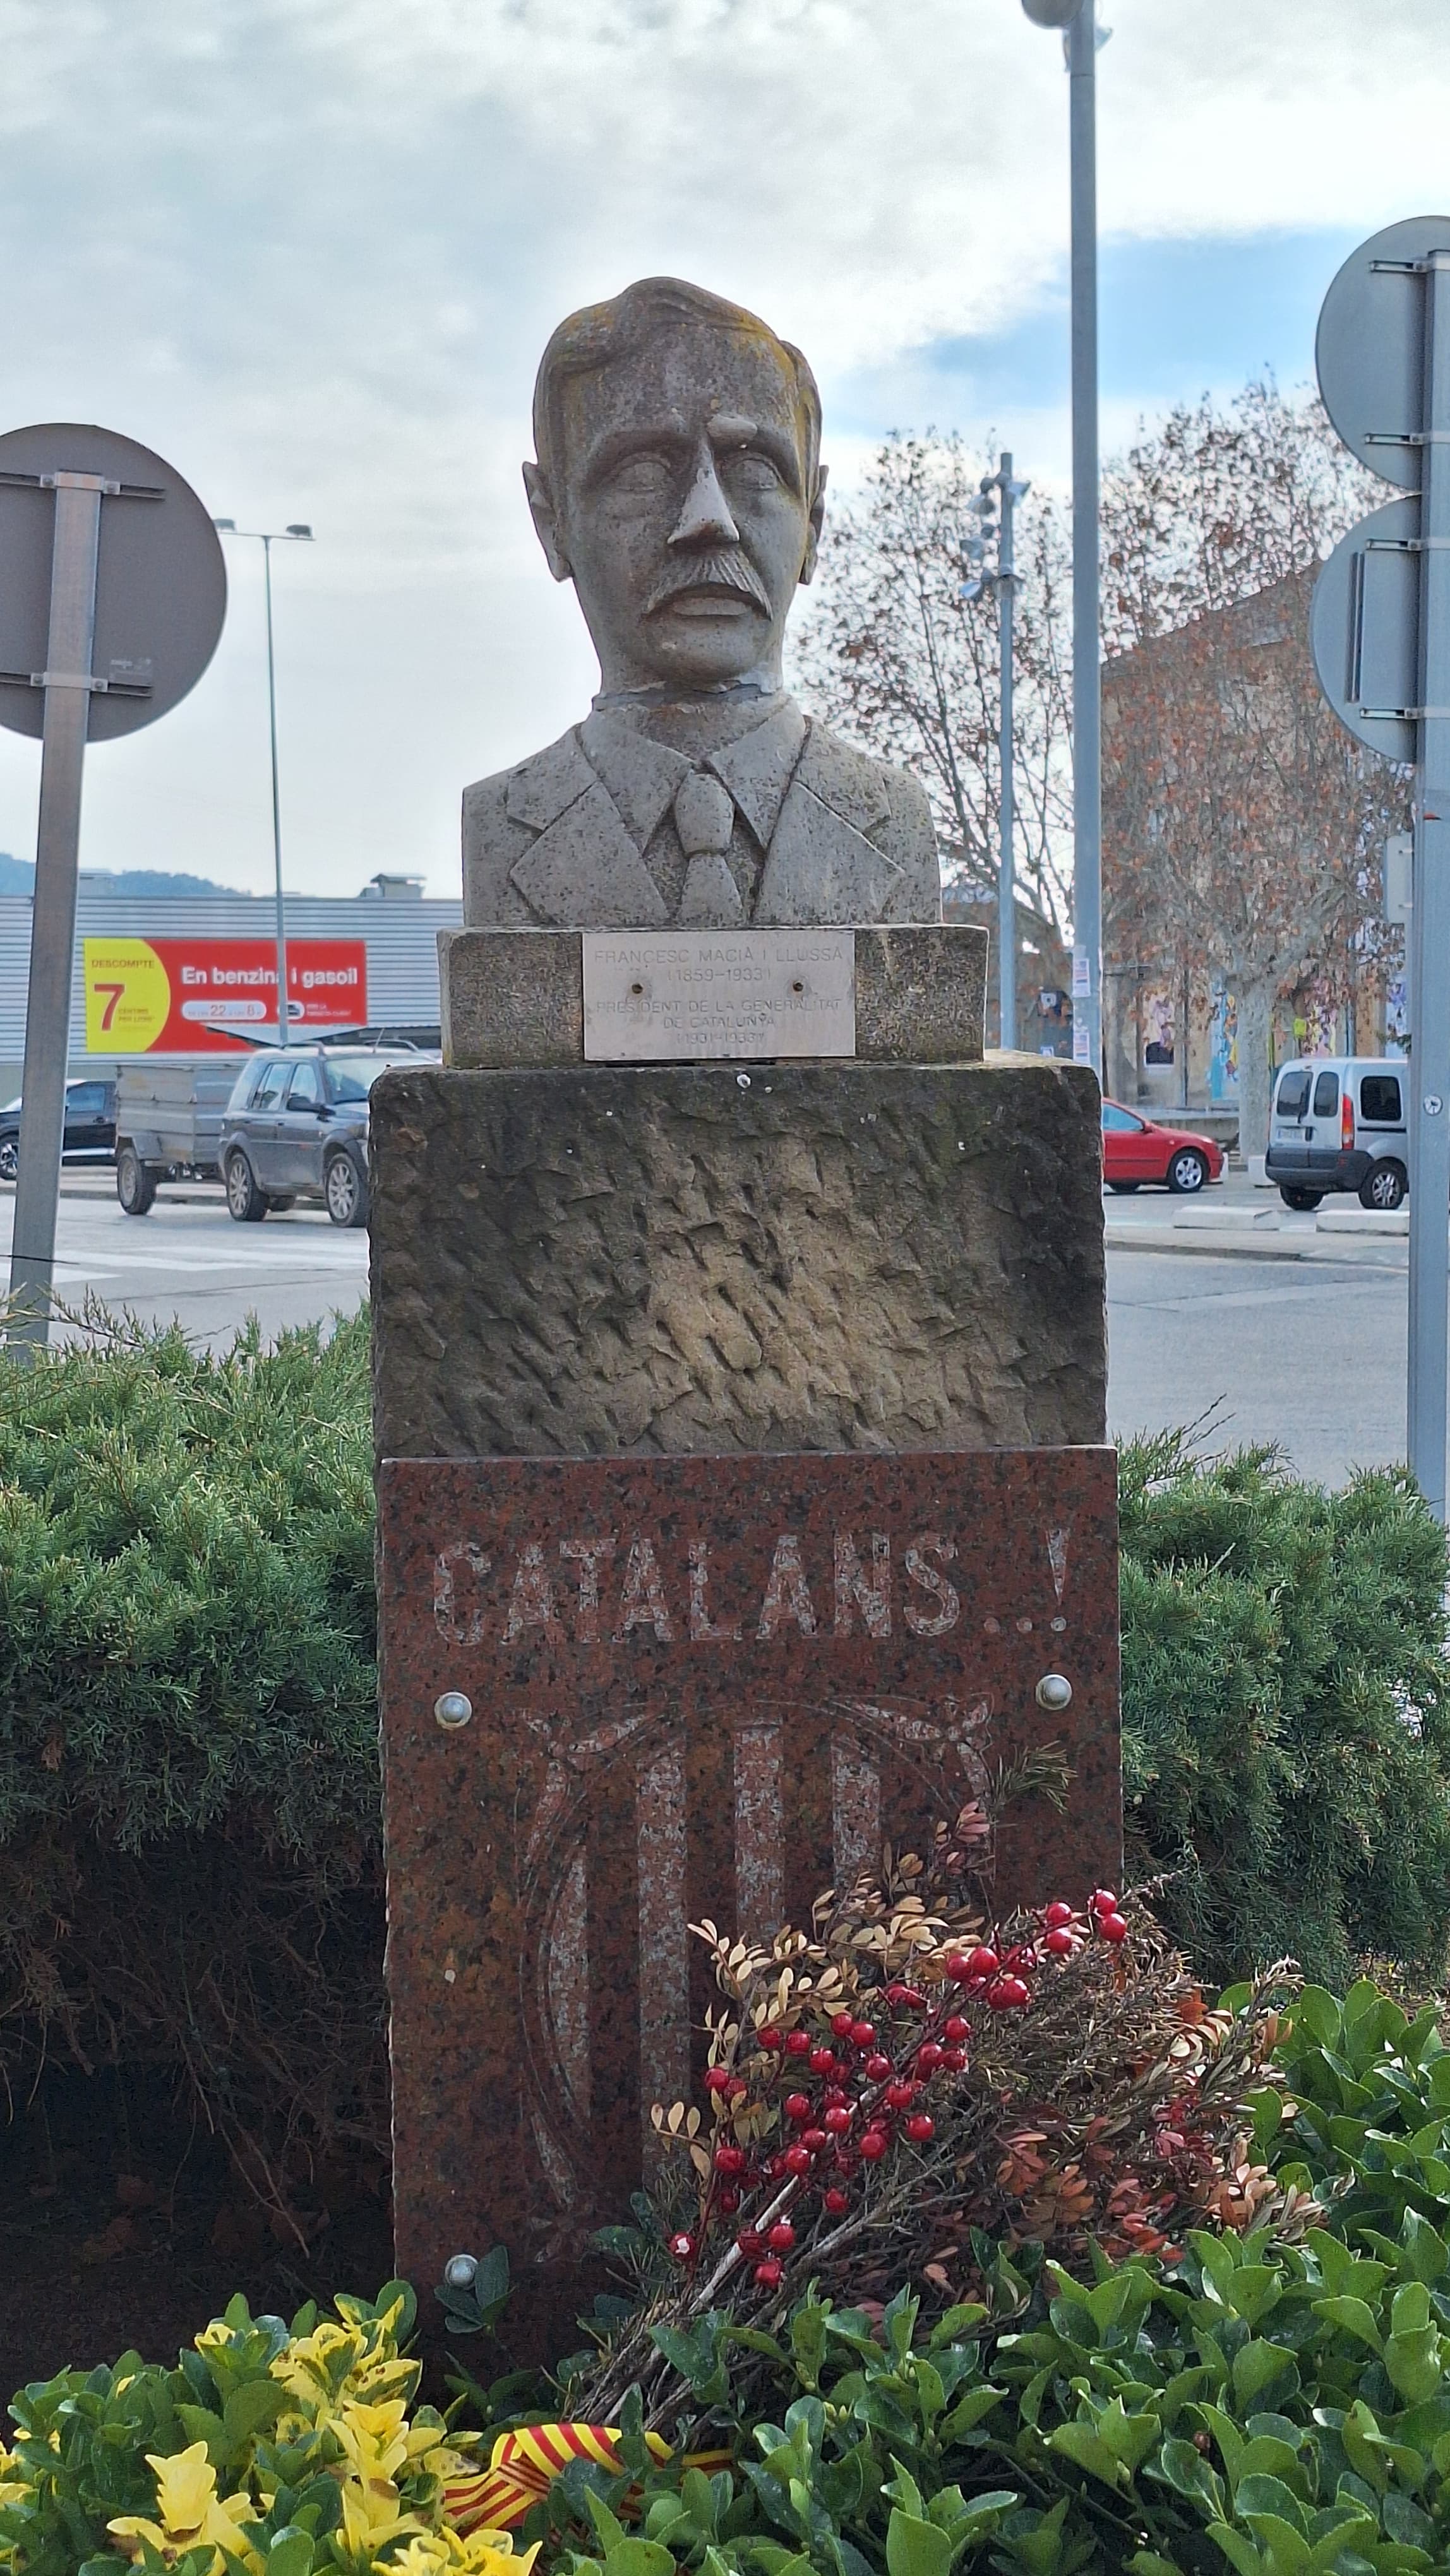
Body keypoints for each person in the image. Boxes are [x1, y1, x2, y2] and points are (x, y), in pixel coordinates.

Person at [464, 277, 941, 932]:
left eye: (755, 473)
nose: (708, 520)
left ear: (815, 524)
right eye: (641, 474)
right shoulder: (501, 824)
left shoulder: (893, 820)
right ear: (552, 523)